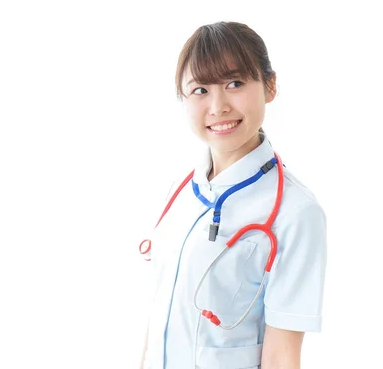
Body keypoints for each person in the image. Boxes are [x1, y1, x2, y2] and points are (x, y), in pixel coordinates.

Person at [138, 21, 327, 369]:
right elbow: (161, 319)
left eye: (235, 83)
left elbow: (281, 356)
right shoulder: (180, 191)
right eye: (200, 90)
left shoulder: (296, 212)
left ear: (270, 86)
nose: (218, 106)